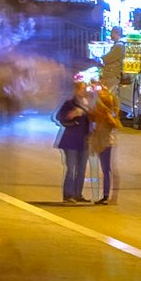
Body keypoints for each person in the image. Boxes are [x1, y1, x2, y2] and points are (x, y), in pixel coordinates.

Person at [54, 71, 100, 203]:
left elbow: (92, 119)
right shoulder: (70, 104)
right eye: (81, 89)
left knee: (81, 169)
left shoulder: (88, 104)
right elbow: (59, 117)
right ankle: (68, 195)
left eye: (84, 89)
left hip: (83, 140)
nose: (83, 91)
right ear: (76, 91)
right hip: (70, 141)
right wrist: (72, 117)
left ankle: (78, 194)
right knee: (71, 168)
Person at [88, 74, 124, 204]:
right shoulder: (97, 105)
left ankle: (107, 196)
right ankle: (105, 195)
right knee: (105, 168)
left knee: (107, 168)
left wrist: (107, 114)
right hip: (99, 140)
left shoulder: (110, 105)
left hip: (107, 141)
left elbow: (116, 124)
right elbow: (91, 117)